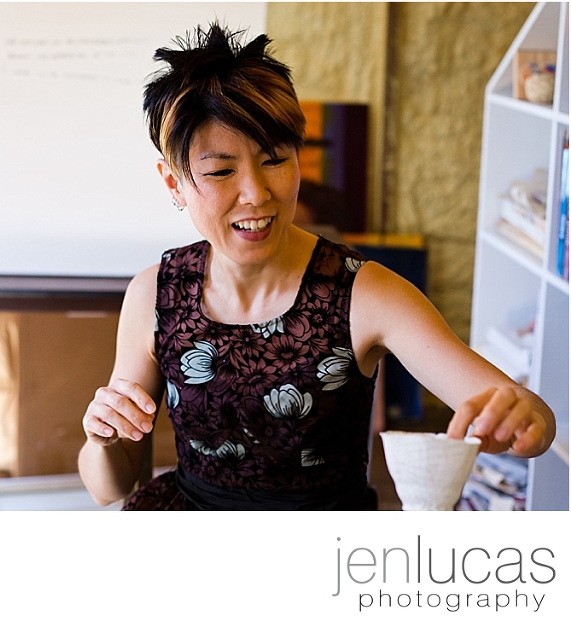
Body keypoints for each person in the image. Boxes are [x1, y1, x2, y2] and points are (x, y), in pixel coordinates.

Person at [78, 24, 555, 510]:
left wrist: (524, 417)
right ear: (174, 183)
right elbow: (111, 488)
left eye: (275, 160)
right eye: (221, 171)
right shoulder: (155, 294)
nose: (256, 193)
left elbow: (532, 422)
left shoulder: (364, 293)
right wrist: (102, 438)